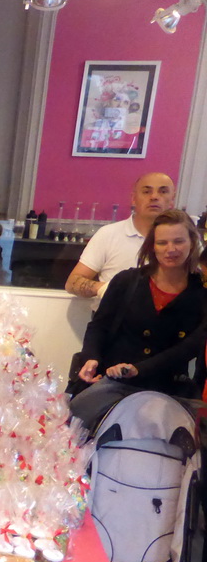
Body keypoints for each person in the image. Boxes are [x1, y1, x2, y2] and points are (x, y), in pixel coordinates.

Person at [68, 209, 207, 431]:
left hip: (168, 391)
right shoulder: (127, 281)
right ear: (152, 246)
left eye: (178, 241)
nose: (171, 249)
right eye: (162, 243)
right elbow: (99, 326)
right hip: (113, 383)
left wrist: (137, 369)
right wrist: (91, 358)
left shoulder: (201, 293)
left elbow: (189, 348)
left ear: (192, 242)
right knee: (73, 430)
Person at [64, 172, 176, 309]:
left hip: (168, 323)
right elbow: (72, 282)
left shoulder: (185, 240)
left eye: (163, 191)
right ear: (134, 198)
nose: (154, 197)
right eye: (146, 191)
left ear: (172, 199)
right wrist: (105, 289)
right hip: (112, 324)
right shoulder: (108, 234)